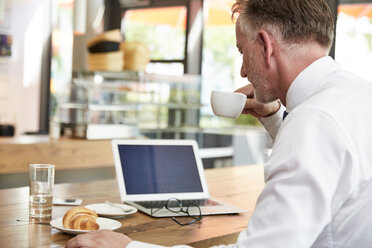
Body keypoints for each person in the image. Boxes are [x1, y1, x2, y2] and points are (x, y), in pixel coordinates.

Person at [65, 0, 372, 247]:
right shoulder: (356, 95)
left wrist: (127, 247)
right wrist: (273, 117)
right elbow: (324, 167)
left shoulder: (312, 125)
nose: (242, 71)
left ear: (265, 45)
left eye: (242, 51)